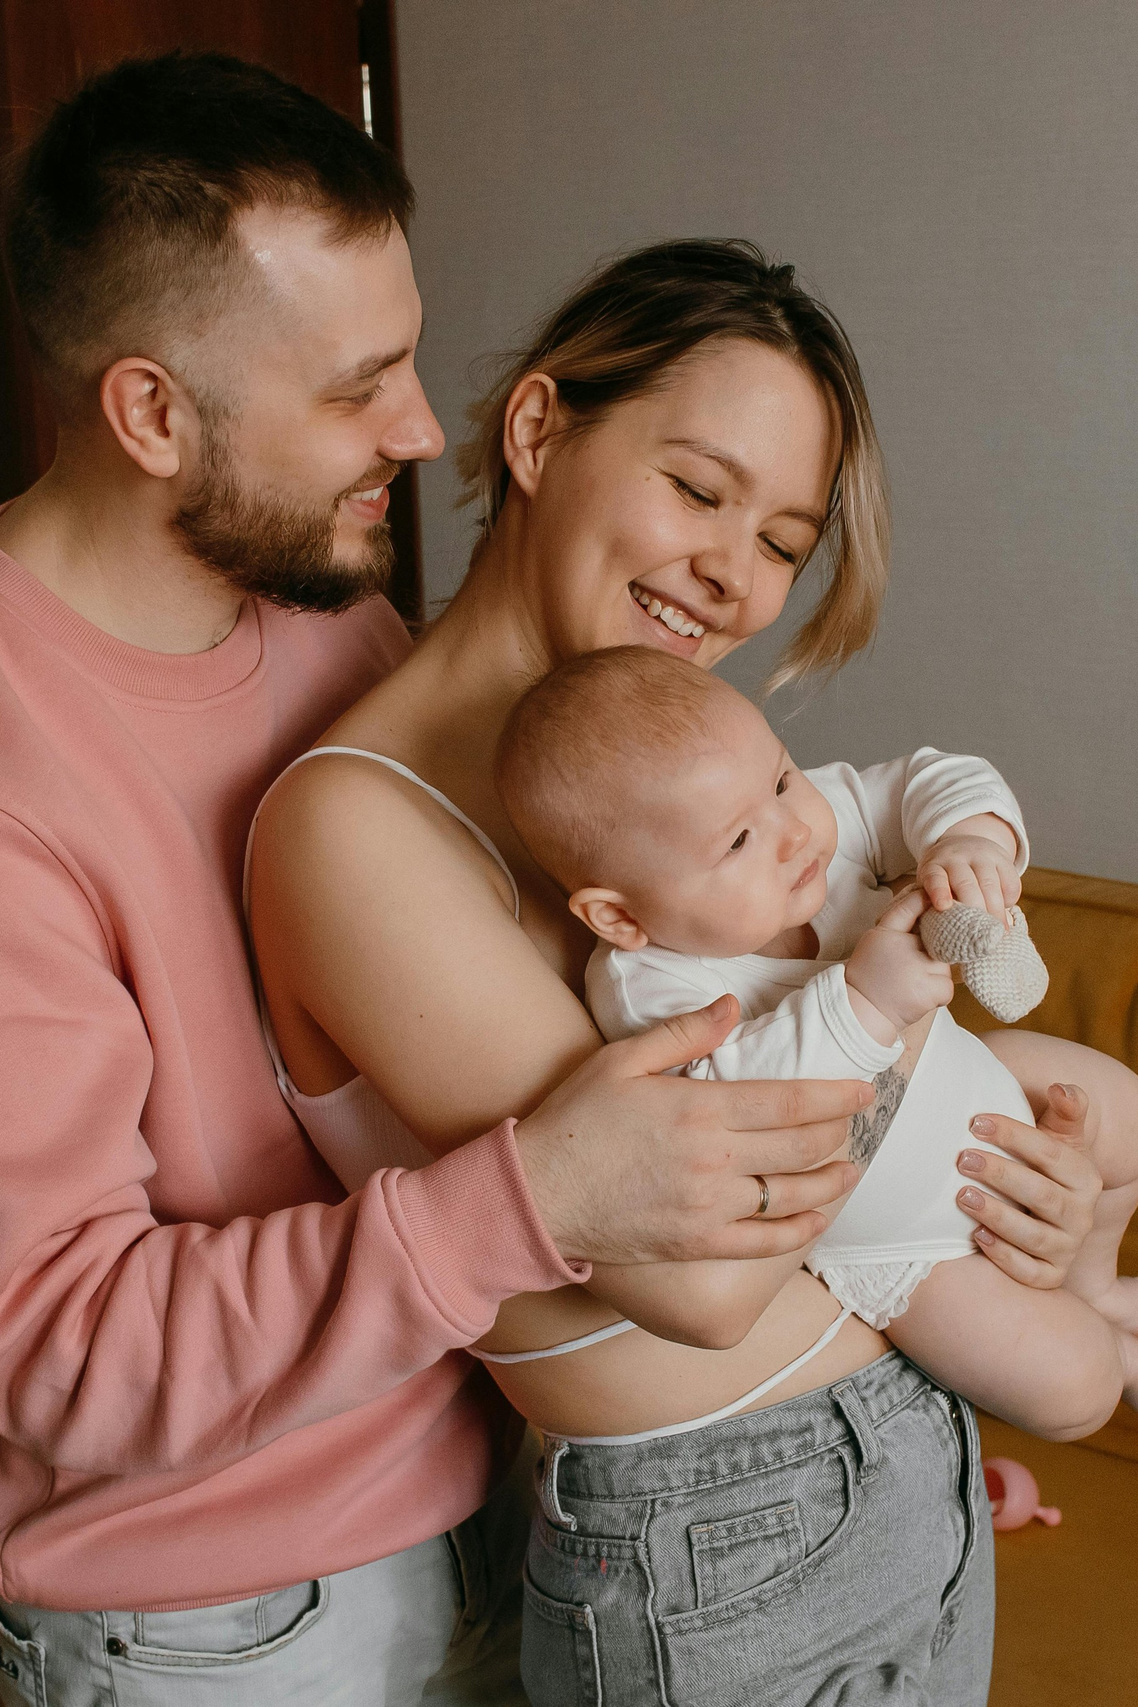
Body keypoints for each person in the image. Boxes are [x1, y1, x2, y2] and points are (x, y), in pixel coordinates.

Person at [0, 53, 918, 1707]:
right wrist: (530, 1197)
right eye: (357, 386)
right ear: (151, 413)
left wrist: (830, 1438)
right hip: (220, 1624)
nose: (424, 429)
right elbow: (58, 1352)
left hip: (516, 1527)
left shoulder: (336, 627)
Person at [248, 237, 1105, 1702]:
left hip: (887, 1454)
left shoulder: (667, 798)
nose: (730, 574)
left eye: (781, 541)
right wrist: (905, 1032)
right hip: (721, 1533)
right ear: (536, 432)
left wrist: (1015, 1184)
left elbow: (814, 1134)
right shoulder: (359, 825)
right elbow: (697, 1281)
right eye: (698, 489)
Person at [496, 644, 1137, 1416]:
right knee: (1079, 1389)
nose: (794, 830)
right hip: (904, 1245)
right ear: (621, 916)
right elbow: (732, 1115)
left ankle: (1097, 1283)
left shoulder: (812, 826)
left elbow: (926, 777)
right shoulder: (650, 987)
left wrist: (970, 841)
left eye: (780, 778)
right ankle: (1113, 1347)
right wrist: (865, 1002)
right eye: (738, 840)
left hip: (973, 1077)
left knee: (1124, 1112)